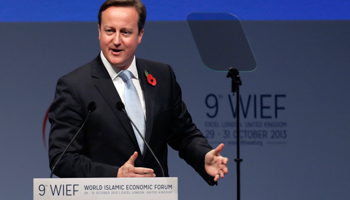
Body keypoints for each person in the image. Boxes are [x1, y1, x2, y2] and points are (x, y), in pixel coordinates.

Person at [48, 0, 228, 185]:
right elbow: (62, 158)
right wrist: (115, 175)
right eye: (110, 31)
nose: (116, 40)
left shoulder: (162, 76)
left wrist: (203, 155)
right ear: (99, 31)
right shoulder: (75, 86)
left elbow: (183, 134)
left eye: (125, 32)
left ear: (140, 35)